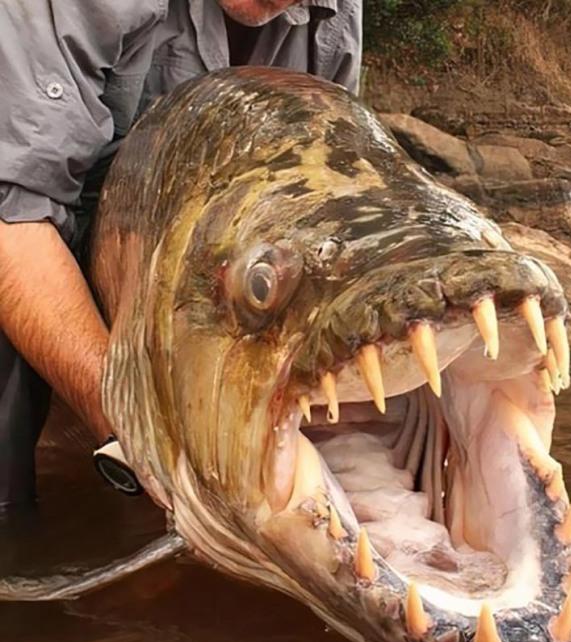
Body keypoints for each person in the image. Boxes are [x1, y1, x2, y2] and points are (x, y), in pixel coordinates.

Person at [0, 0, 362, 508]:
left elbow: (323, 208)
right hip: (35, 215)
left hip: (185, 255)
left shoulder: (337, 13)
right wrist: (143, 424)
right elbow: (12, 217)